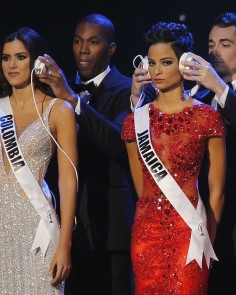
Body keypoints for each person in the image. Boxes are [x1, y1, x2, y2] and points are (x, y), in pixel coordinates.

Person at [0, 27, 78, 294]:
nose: (12, 65)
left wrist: (65, 245)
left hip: (39, 226)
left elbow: (68, 181)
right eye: (6, 57)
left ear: (36, 61)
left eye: (20, 57)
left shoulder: (59, 110)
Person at [34, 13, 141, 295]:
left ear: (112, 48)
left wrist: (72, 99)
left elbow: (118, 144)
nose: (83, 49)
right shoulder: (55, 90)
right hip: (65, 224)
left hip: (112, 225)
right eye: (78, 41)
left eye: (93, 42)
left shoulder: (130, 89)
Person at [121, 22, 225, 294]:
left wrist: (208, 238)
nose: (156, 71)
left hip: (190, 232)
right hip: (146, 234)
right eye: (151, 63)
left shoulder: (207, 117)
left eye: (166, 62)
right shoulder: (136, 122)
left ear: (183, 64)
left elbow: (217, 190)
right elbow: (141, 189)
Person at [189, 12, 236, 294]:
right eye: (210, 44)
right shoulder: (200, 96)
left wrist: (219, 86)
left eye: (225, 44)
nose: (214, 51)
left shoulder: (215, 89)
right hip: (208, 214)